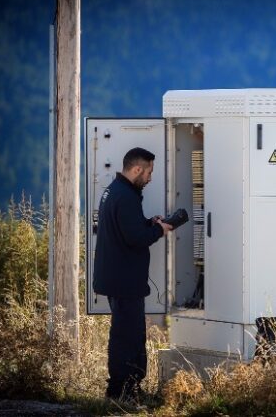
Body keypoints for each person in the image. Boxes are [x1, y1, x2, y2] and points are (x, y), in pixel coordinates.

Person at [93, 147, 173, 403]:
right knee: (126, 337)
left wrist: (150, 223)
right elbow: (135, 238)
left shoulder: (115, 191)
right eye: (149, 172)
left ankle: (130, 388)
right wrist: (159, 230)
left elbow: (127, 229)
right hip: (124, 279)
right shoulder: (125, 196)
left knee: (130, 333)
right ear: (137, 169)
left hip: (118, 277)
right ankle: (121, 391)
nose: (150, 178)